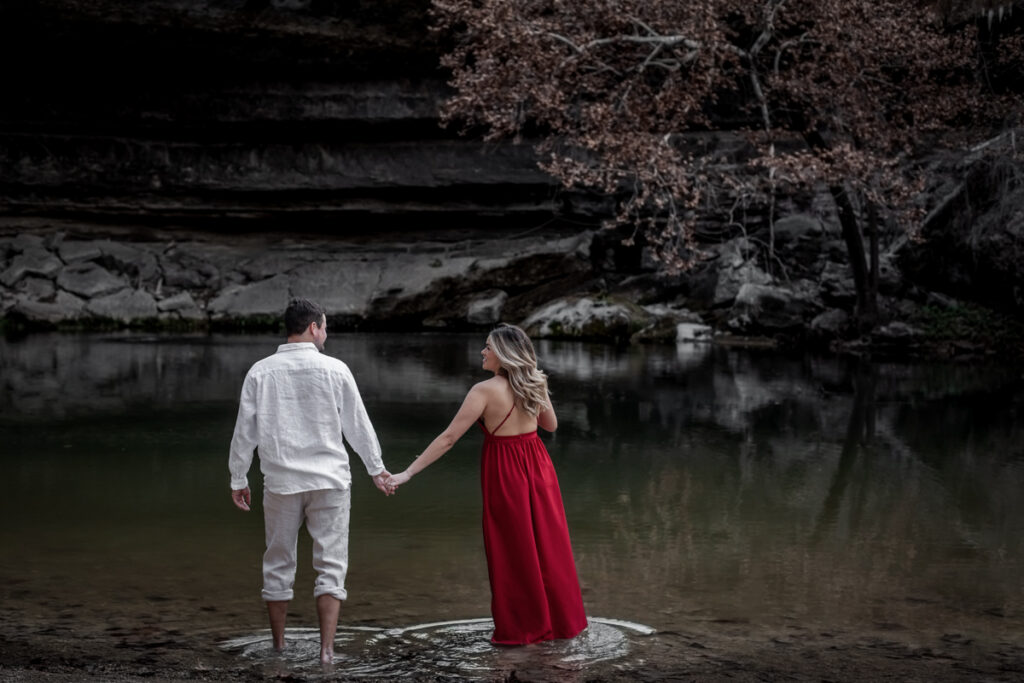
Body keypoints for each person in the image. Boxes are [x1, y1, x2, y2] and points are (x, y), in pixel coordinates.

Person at [386, 323, 587, 645]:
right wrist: (535, 387)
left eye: (488, 347)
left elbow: (449, 438)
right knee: (548, 547)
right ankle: (562, 626)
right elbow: (550, 426)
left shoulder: (483, 391)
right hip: (539, 468)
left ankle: (523, 631)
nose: (483, 351)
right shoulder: (534, 383)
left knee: (512, 553)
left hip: (506, 473)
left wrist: (407, 473)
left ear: (504, 355)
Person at [228, 298, 392, 665]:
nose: (326, 333)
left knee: (278, 562)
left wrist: (239, 477)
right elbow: (357, 425)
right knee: (331, 565)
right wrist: (376, 468)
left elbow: (245, 432)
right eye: (325, 327)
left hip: (281, 481)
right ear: (314, 327)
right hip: (330, 480)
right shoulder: (336, 370)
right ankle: (327, 652)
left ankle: (279, 647)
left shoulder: (260, 371)